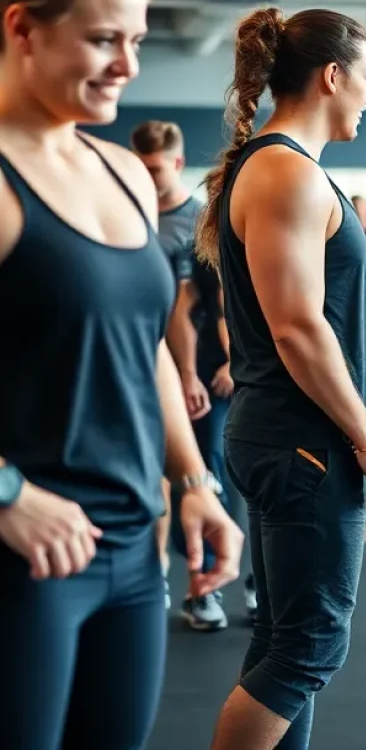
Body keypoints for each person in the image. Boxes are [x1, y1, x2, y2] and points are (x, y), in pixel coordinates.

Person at [0, 0, 242, 750]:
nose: (126, 65)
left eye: (137, 40)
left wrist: (194, 483)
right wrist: (6, 490)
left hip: (132, 551)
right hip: (28, 552)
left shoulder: (122, 174)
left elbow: (141, 347)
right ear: (23, 27)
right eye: (106, 39)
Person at [195, 6, 366, 750]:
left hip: (288, 434)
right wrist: (365, 439)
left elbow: (339, 314)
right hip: (301, 441)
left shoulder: (289, 169)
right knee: (310, 646)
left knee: (285, 639)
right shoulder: (287, 172)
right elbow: (298, 329)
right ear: (332, 76)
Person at [129, 119, 205, 609]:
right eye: (141, 166)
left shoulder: (200, 223)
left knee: (196, 475)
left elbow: (195, 307)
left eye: (155, 167)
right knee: (147, 472)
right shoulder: (127, 211)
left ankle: (202, 586)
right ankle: (153, 572)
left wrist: (190, 372)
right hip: (131, 357)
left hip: (186, 363)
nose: (148, 175)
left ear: (176, 163)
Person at [167, 245, 258, 631]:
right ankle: (203, 586)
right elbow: (183, 313)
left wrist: (240, 361)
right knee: (210, 470)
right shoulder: (200, 253)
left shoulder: (274, 240)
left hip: (264, 372)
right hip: (212, 376)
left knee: (263, 478)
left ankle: (263, 586)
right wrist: (189, 375)